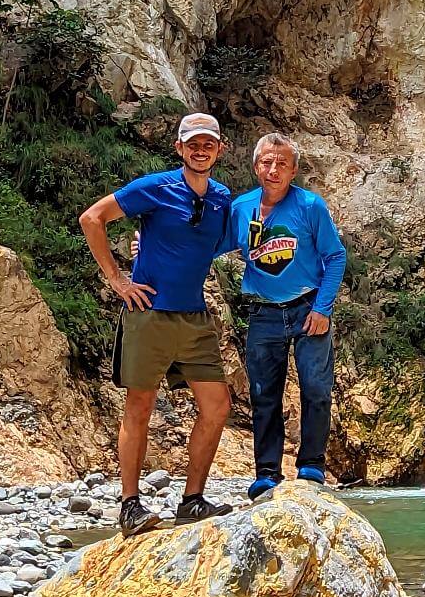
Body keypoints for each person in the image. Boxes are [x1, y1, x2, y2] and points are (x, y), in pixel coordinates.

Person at [79, 113, 234, 537]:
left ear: (219, 150)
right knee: (140, 406)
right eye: (193, 144)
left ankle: (192, 501)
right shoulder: (155, 186)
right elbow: (92, 218)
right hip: (148, 313)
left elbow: (215, 243)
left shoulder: (221, 198)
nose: (200, 150)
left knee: (217, 406)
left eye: (208, 144)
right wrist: (117, 280)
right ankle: (130, 506)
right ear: (180, 148)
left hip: (195, 317)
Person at [220, 132, 347, 500]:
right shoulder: (241, 208)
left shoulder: (310, 206)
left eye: (281, 164)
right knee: (264, 394)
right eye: (266, 162)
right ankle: (267, 472)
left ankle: (311, 466)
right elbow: (209, 245)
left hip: (308, 308)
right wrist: (150, 243)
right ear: (255, 166)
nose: (272, 169)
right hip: (263, 312)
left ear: (293, 170)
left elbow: (335, 257)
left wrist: (323, 308)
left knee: (316, 388)